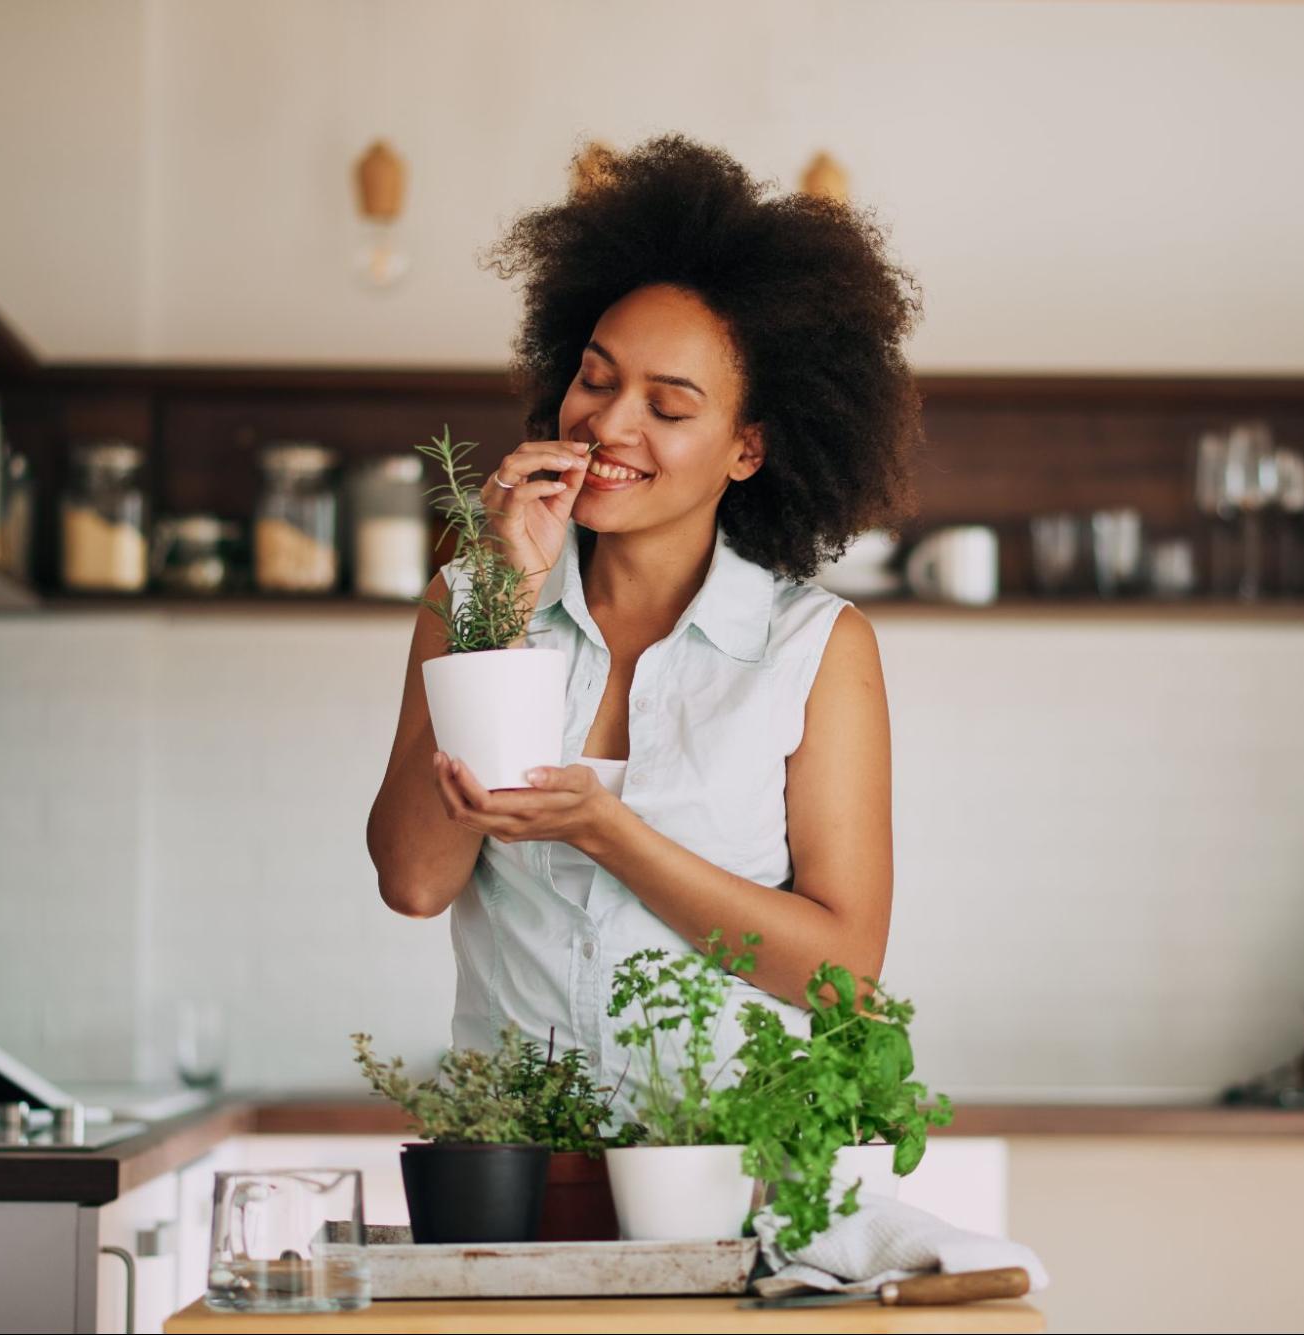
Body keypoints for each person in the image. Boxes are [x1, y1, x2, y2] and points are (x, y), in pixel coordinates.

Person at [365, 135, 922, 1090]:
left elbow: (842, 978)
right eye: (596, 376)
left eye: (668, 407)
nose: (610, 423)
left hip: (721, 1167)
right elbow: (415, 881)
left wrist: (605, 830)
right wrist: (500, 596)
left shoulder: (814, 649)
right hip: (517, 1160)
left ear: (746, 449)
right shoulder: (475, 593)